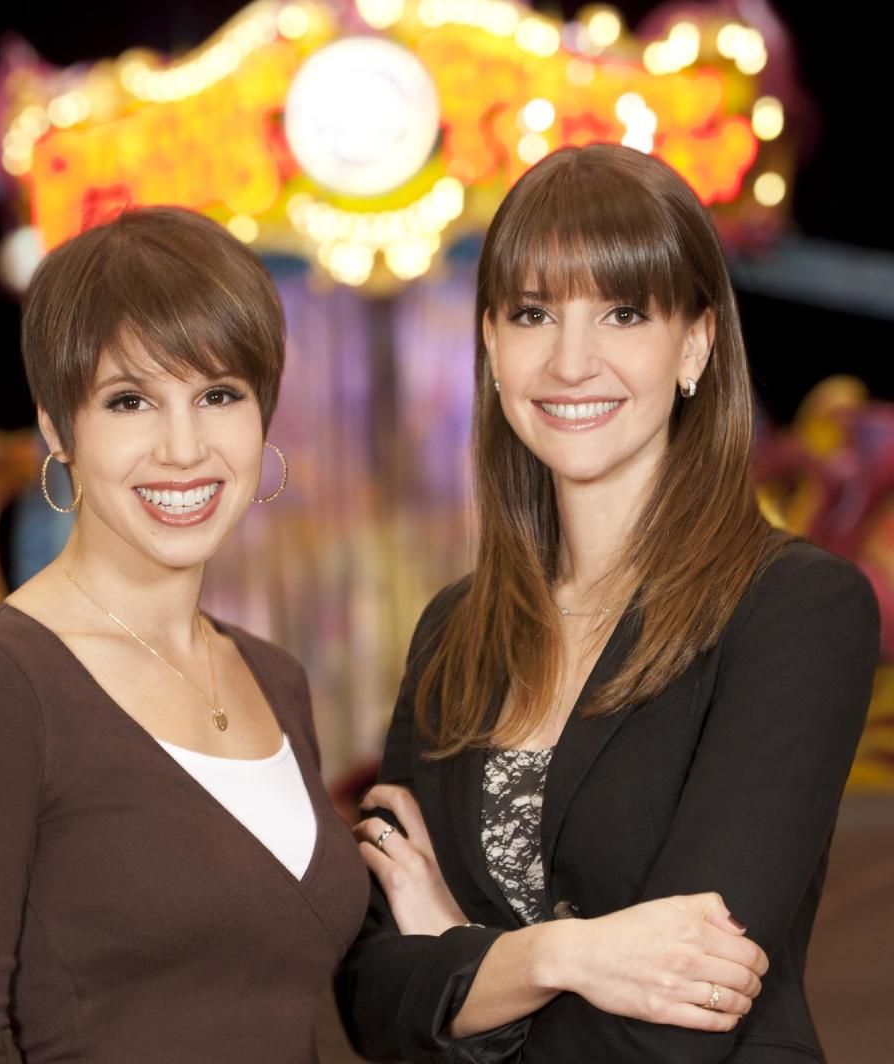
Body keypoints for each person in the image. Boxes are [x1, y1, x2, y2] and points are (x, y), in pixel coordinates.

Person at [335, 144, 879, 1063]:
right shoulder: (453, 633)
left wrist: (460, 969)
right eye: (533, 313)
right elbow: (371, 1001)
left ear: (696, 343)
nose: (571, 360)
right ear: (493, 346)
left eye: (623, 312)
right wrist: (559, 955)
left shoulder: (796, 609)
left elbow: (684, 1013)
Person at [0, 206, 368, 1063]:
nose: (183, 447)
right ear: (59, 430)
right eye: (130, 400)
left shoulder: (273, 678)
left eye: (218, 396)